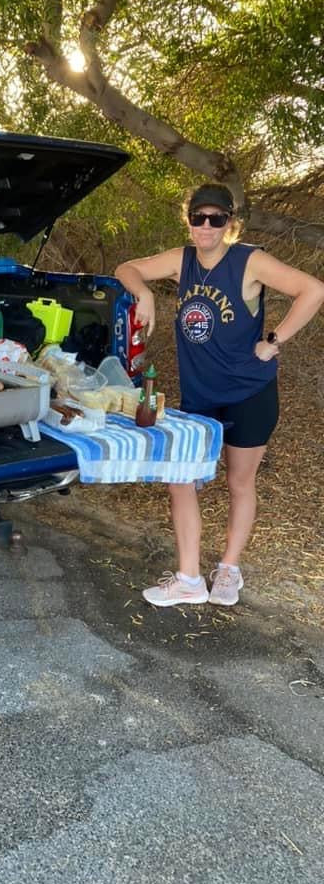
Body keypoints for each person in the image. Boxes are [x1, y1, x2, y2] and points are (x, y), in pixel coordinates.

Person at [115, 183, 324, 608]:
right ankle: (189, 577)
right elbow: (127, 267)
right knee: (180, 478)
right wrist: (145, 293)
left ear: (231, 223)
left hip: (250, 390)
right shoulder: (183, 259)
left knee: (239, 481)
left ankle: (228, 569)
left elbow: (313, 290)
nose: (206, 226)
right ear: (188, 220)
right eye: (199, 218)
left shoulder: (249, 260)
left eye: (217, 219)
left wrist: (274, 340)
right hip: (201, 393)